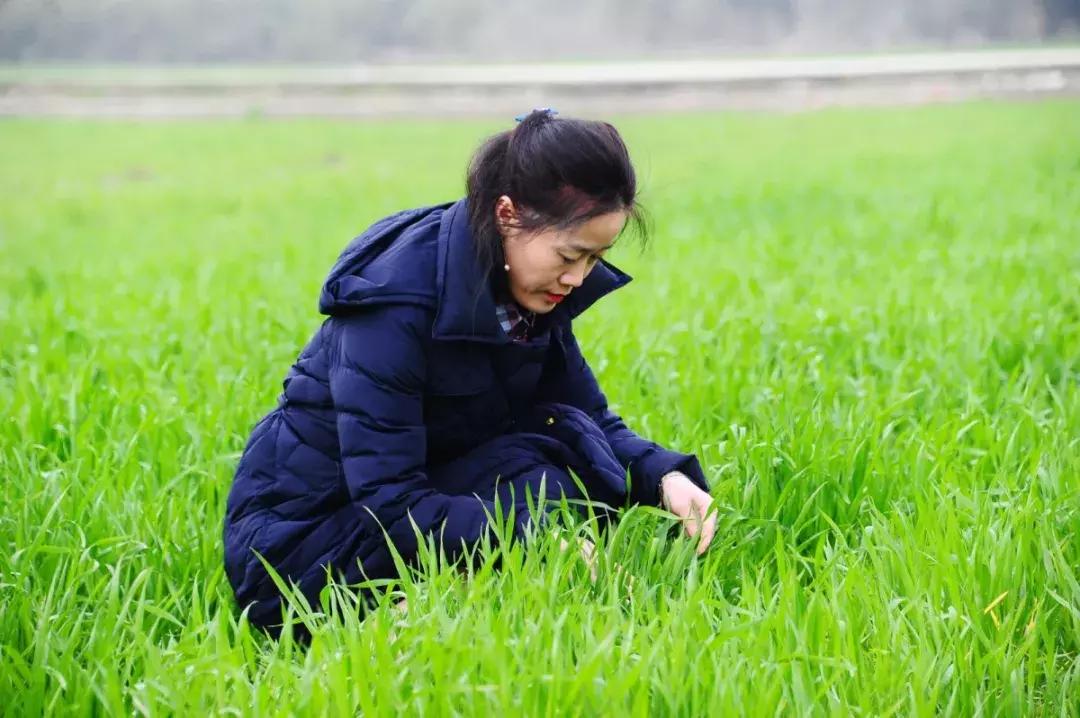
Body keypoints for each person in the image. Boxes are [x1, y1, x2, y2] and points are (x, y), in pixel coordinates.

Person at [223, 108, 717, 635]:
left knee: (564, 466)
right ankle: (393, 616)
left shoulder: (526, 294)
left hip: (393, 509)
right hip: (298, 551)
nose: (577, 278)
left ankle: (465, 599)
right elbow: (391, 501)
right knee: (539, 512)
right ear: (507, 214)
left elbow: (586, 415)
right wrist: (531, 540)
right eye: (570, 255)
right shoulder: (394, 305)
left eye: (595, 259)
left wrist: (665, 477)